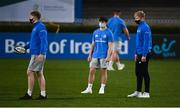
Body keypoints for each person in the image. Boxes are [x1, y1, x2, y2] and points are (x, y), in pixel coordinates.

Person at [20, 11, 48, 100]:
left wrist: (42, 53)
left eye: (31, 17)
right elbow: (33, 41)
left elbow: (44, 41)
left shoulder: (40, 26)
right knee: (39, 73)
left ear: (35, 17)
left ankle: (29, 94)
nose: (29, 18)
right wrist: (25, 47)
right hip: (36, 53)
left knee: (30, 72)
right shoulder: (36, 27)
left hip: (37, 54)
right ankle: (43, 94)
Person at [81, 17, 113, 94]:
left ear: (106, 23)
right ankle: (89, 88)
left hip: (104, 56)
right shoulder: (95, 32)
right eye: (100, 22)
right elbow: (93, 44)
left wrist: (108, 57)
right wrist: (89, 55)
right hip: (95, 55)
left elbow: (110, 46)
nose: (101, 23)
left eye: (103, 22)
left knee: (103, 72)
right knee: (91, 71)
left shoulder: (109, 33)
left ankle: (102, 88)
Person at [127, 11, 152, 98]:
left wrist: (144, 55)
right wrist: (135, 53)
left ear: (141, 17)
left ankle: (146, 93)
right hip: (139, 53)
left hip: (144, 53)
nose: (135, 19)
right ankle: (138, 91)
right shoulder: (139, 27)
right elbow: (138, 42)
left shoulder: (145, 27)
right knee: (138, 72)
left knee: (144, 72)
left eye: (136, 17)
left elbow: (146, 42)